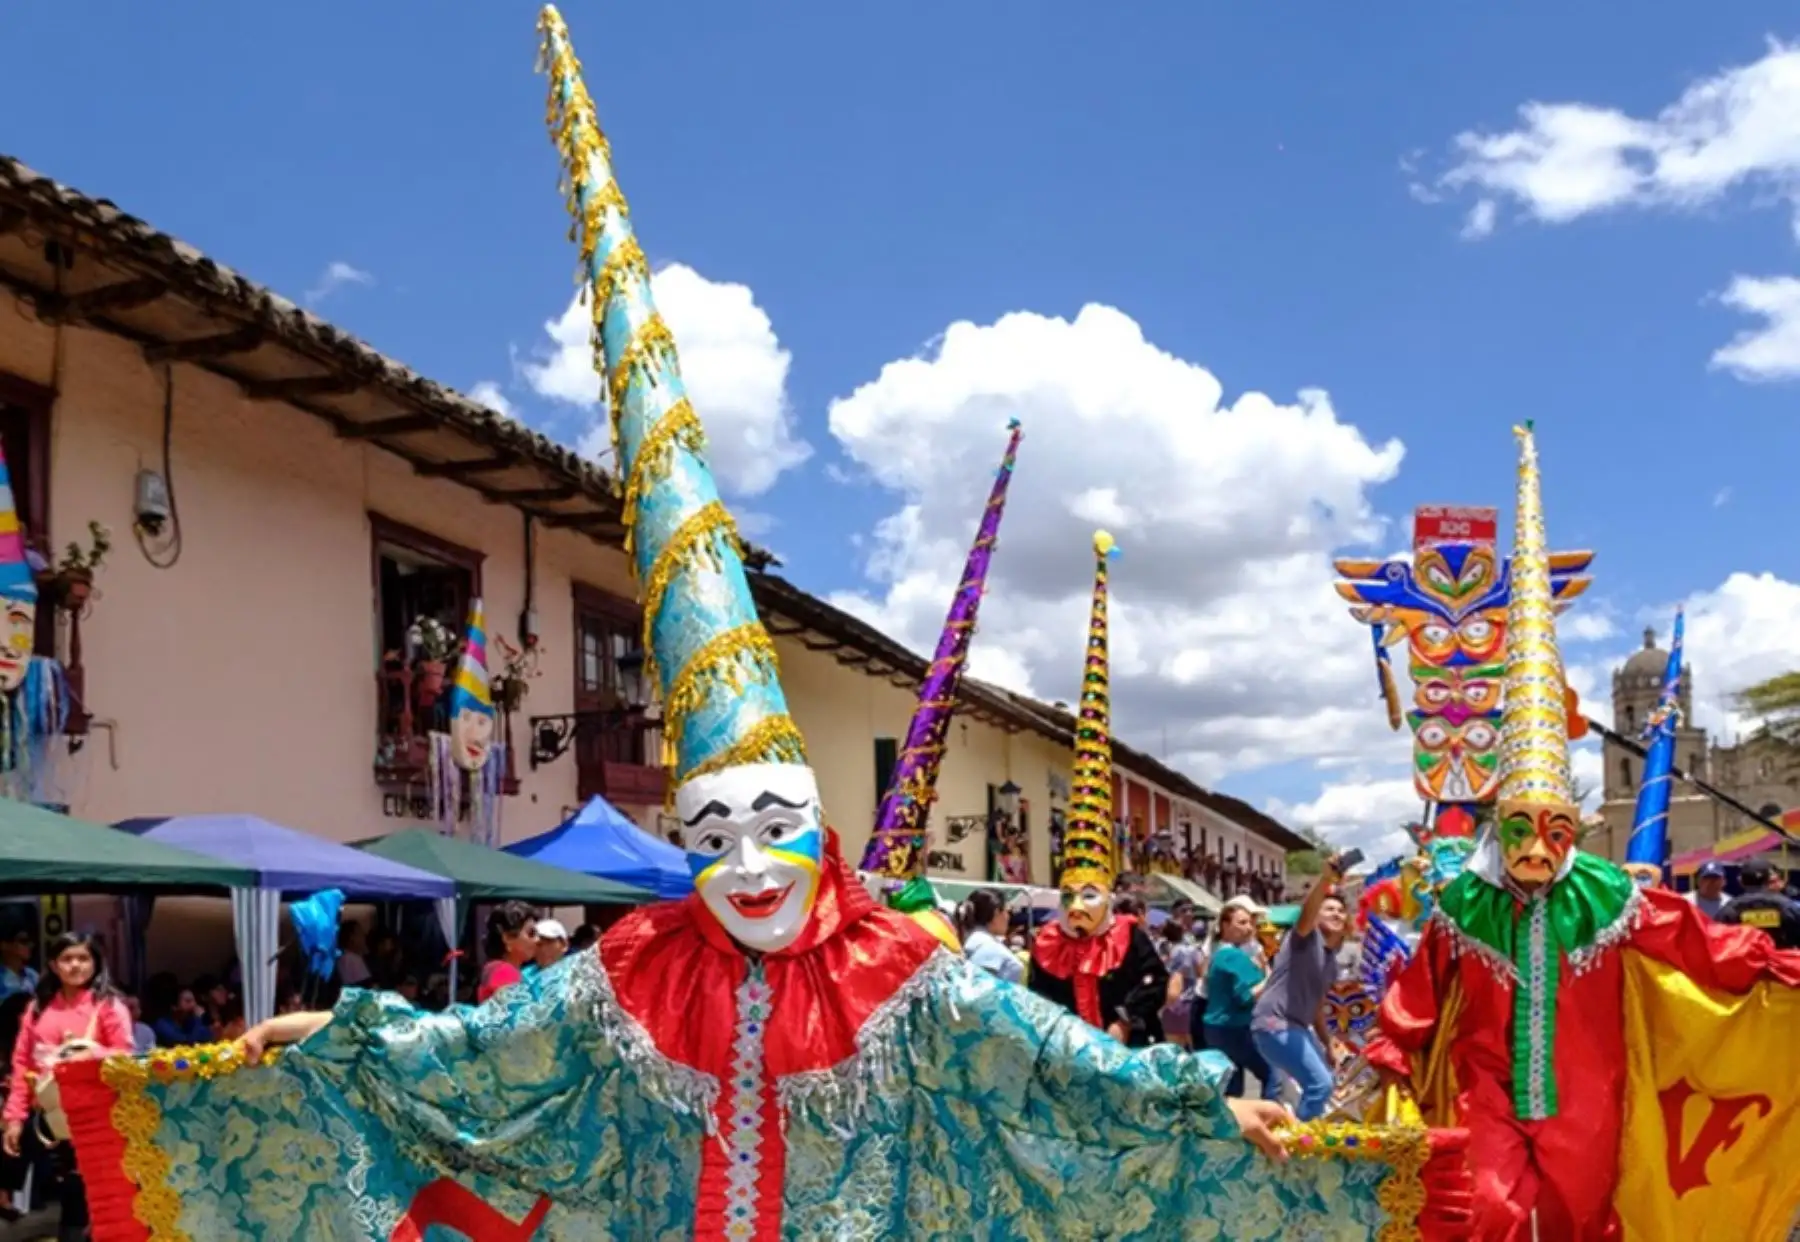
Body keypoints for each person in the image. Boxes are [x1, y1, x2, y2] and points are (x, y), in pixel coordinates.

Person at [52, 20, 1476, 1237]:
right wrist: (306, 1035)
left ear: (824, 829)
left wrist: (1223, 1101)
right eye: (713, 830)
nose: (741, 861)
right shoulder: (637, 966)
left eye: (772, 823)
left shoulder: (903, 971)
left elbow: (1062, 1070)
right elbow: (467, 1050)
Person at [1366, 424, 1800, 1241]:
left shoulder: (1610, 896)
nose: (1537, 847)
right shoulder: (1463, 901)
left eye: (1556, 828)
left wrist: (1779, 964)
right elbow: (1417, 993)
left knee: (1583, 1220)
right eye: (1522, 827)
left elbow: (1703, 946)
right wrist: (1392, 1052)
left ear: (1573, 829)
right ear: (1503, 825)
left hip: (1593, 1096)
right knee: (1484, 1210)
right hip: (1486, 1091)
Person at [1028, 533, 1169, 1049]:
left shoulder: (1128, 936)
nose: (1077, 907)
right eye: (1070, 896)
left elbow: (1154, 984)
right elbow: (1039, 998)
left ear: (1107, 896)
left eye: (1088, 895)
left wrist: (1124, 1018)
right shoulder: (1046, 943)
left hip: (1126, 1047)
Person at [2, 933, 134, 1242]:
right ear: (53, 965)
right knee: (69, 1197)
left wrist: (94, 1054)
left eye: (83, 958)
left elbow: (126, 1055)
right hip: (53, 1121)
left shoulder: (109, 1006)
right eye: (67, 959)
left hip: (100, 1120)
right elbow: (22, 1065)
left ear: (96, 963)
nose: (75, 965)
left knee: (102, 1200)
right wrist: (14, 1118)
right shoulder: (38, 1009)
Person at [1250, 857, 1350, 1121]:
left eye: (1341, 911)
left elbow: (1316, 1007)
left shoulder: (1331, 961)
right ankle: (1302, 1146)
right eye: (1329, 909)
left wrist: (1328, 1043)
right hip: (1274, 1022)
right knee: (1320, 1085)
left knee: (1326, 1083)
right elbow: (1307, 911)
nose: (1336, 914)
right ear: (1316, 916)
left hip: (1296, 1027)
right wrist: (1326, 879)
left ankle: (1294, 1132)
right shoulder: (1305, 938)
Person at [1202, 896, 1276, 1097]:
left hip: (1220, 1028)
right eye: (1242, 923)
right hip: (1233, 1028)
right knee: (1272, 1075)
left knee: (1232, 1087)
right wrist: (1273, 978)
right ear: (1225, 925)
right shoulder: (1232, 956)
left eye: (1251, 922)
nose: (1249, 928)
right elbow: (1247, 996)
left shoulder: (1224, 953)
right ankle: (1270, 1121)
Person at [1717, 857, 1800, 950]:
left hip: (1745, 963)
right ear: (1769, 879)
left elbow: (1717, 942)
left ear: (1741, 881)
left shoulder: (1730, 909)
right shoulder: (1787, 906)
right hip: (1780, 963)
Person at [477, 902, 538, 1003]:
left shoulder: (495, 968)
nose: (537, 940)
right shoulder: (505, 973)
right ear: (508, 938)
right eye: (531, 934)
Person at [957, 890, 1022, 983]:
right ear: (996, 913)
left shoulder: (966, 939)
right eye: (1007, 911)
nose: (1008, 917)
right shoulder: (991, 949)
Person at [1157, 919, 1201, 1049]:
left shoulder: (1161, 951)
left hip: (1170, 1005)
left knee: (1174, 1051)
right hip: (1191, 1003)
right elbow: (1201, 973)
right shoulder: (1192, 951)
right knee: (1196, 1050)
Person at [0, 926, 35, 1003]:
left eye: (29, 941)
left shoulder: (33, 975)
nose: (30, 945)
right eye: (23, 941)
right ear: (4, 945)